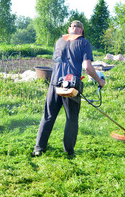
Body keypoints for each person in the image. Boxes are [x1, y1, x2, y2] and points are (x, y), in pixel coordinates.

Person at [32, 20, 105, 157]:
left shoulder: (59, 41)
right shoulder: (84, 43)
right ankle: (69, 151)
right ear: (81, 31)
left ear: (69, 29)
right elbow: (88, 68)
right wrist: (99, 80)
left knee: (48, 116)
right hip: (71, 85)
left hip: (54, 83)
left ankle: (38, 148)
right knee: (71, 118)